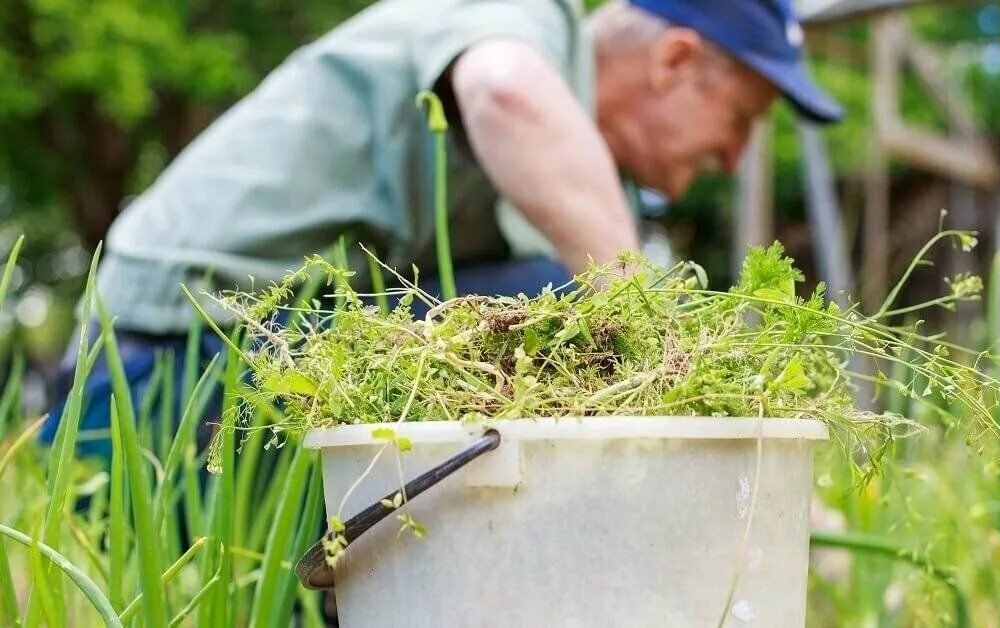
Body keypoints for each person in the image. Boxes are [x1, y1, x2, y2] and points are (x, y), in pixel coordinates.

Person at [43, 0, 842, 454]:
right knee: (563, 312)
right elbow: (505, 92)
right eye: (741, 119)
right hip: (146, 385)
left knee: (543, 315)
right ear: (672, 63)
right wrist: (657, 335)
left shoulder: (555, 192)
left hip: (234, 384)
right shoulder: (523, 17)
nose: (736, 159)